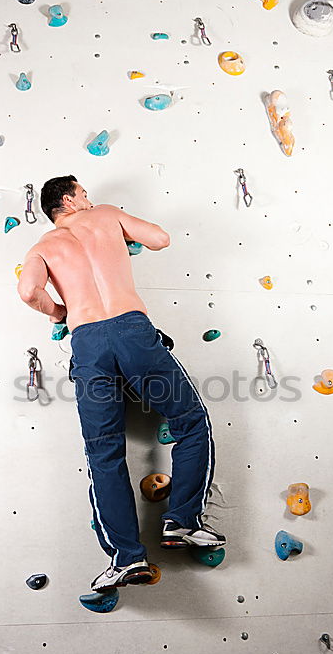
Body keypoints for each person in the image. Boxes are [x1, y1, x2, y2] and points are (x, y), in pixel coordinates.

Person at [17, 175, 226, 593]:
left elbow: (27, 292)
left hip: (88, 341)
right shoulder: (105, 216)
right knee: (190, 422)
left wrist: (61, 312)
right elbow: (161, 239)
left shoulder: (41, 247)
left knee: (103, 451)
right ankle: (182, 522)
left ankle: (126, 557)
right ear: (68, 199)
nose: (89, 199)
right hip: (131, 330)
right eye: (83, 193)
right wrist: (120, 237)